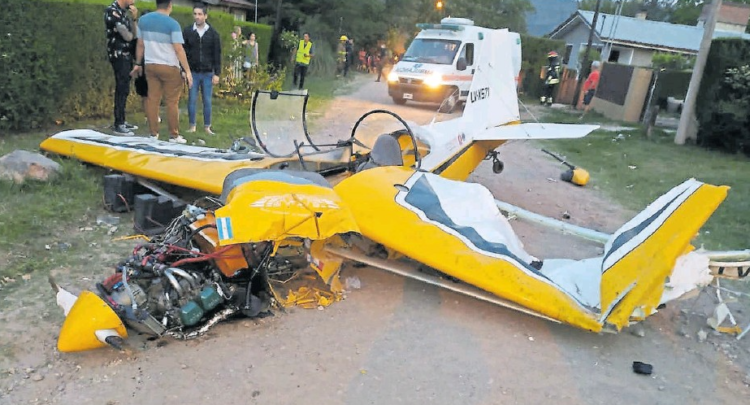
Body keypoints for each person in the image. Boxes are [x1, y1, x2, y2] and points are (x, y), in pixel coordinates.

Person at [131, 0, 192, 143]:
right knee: (172, 102)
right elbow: (178, 49)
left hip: (151, 64)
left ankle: (153, 134)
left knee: (152, 99)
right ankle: (174, 135)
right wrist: (187, 70)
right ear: (170, 5)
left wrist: (138, 63)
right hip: (170, 66)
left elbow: (140, 44)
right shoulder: (173, 24)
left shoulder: (143, 21)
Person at [183, 4, 221, 135]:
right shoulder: (188, 32)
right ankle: (192, 126)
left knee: (207, 100)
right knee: (192, 100)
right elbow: (184, 52)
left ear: (205, 16)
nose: (197, 17)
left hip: (207, 73)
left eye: (200, 14)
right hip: (192, 72)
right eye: (195, 14)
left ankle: (207, 127)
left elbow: (217, 54)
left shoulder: (213, 34)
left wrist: (217, 73)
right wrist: (184, 70)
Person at [104, 0, 139, 135]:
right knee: (121, 87)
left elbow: (135, 35)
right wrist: (133, 25)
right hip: (118, 55)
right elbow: (129, 36)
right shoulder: (112, 12)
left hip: (127, 55)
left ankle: (122, 120)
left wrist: (134, 19)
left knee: (125, 88)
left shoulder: (123, 13)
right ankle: (118, 123)